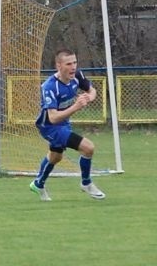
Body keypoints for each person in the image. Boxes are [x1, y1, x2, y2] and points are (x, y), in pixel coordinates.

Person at [29, 48, 106, 201]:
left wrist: (89, 98)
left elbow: (92, 91)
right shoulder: (49, 87)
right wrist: (76, 106)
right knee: (88, 148)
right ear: (59, 66)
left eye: (75, 63)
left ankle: (38, 183)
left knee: (56, 157)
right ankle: (86, 183)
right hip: (49, 127)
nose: (73, 67)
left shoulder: (77, 76)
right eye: (69, 64)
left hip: (63, 123)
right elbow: (53, 118)